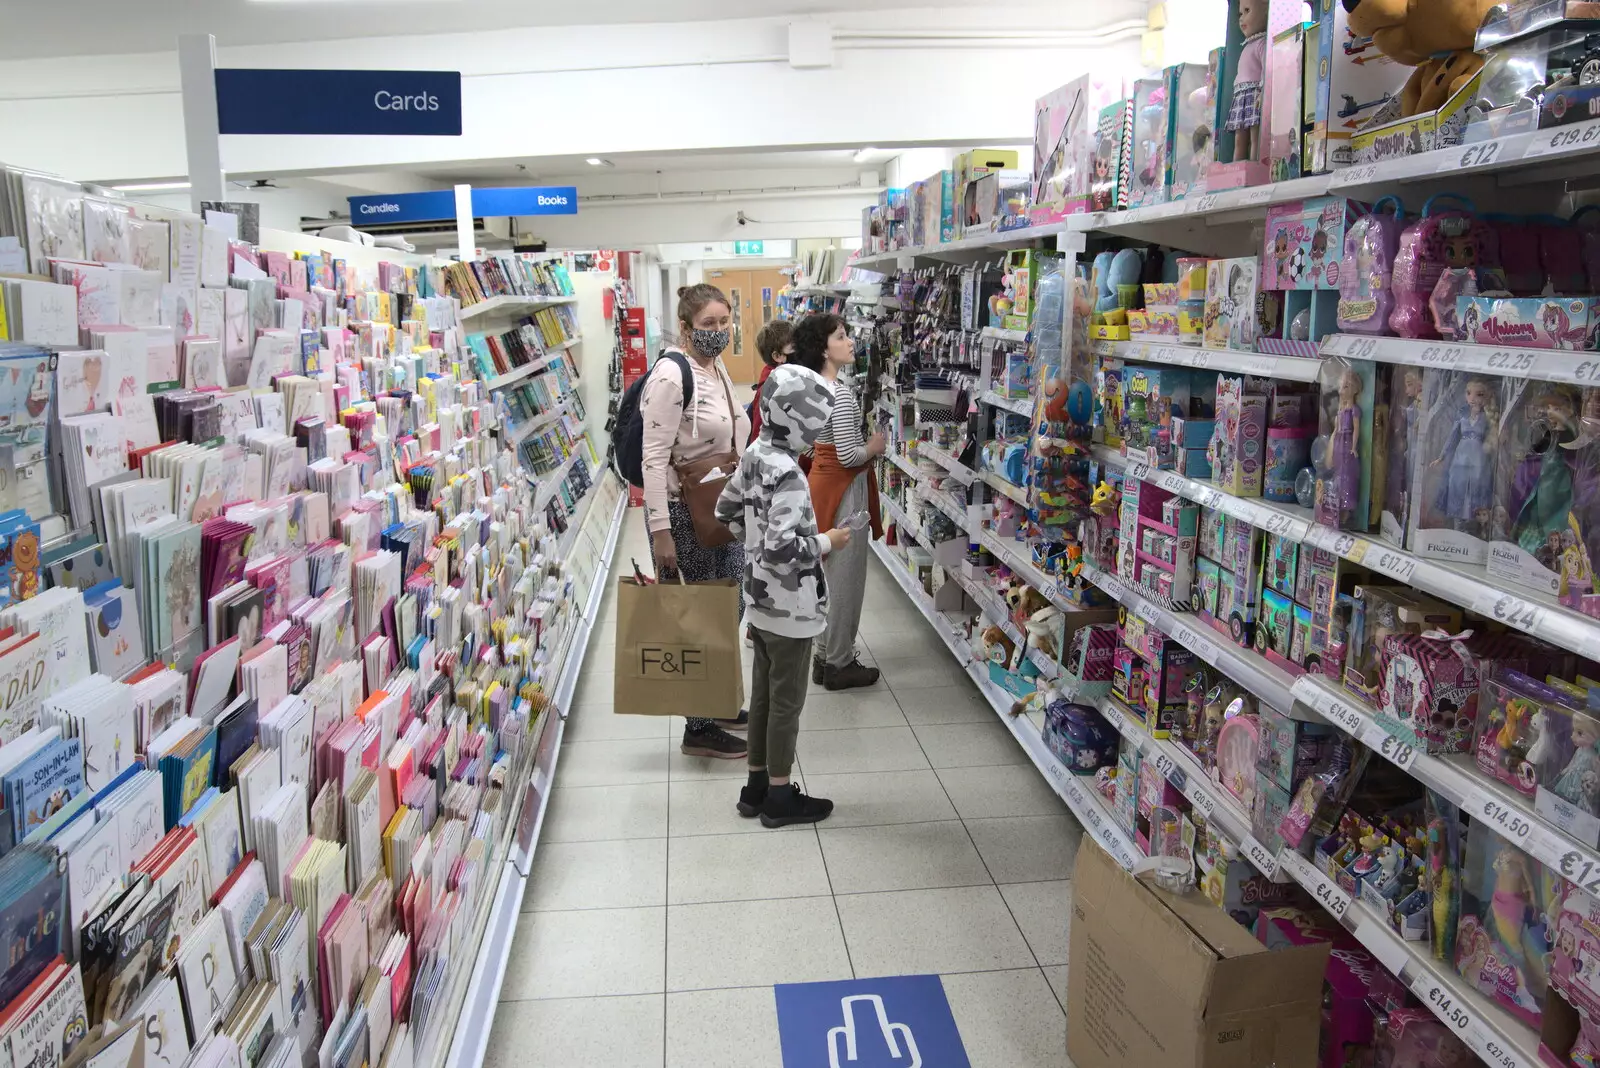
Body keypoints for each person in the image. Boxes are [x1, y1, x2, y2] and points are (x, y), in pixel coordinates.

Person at [716, 363, 845, 826]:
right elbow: (784, 546)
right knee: (786, 704)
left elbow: (724, 508)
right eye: (817, 419)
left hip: (760, 604)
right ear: (801, 419)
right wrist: (830, 541)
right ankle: (778, 797)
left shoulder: (753, 454)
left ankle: (754, 786)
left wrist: (750, 545)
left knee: (764, 698)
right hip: (791, 609)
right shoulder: (789, 472)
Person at [641, 283, 751, 758]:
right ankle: (699, 726)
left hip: (720, 502)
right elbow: (652, 458)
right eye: (708, 325)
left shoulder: (716, 366)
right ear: (685, 328)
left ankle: (717, 699)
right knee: (704, 614)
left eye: (724, 323)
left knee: (732, 604)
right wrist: (661, 532)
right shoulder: (670, 376)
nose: (718, 333)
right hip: (686, 513)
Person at [790, 313, 884, 690]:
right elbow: (847, 455)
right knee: (846, 577)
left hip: (820, 485)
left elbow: (814, 444)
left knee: (825, 575)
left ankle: (824, 654)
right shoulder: (840, 393)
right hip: (845, 491)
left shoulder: (810, 389)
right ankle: (840, 663)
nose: (850, 342)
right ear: (823, 349)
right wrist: (873, 447)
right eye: (841, 337)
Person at [747, 319, 792, 445]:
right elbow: (758, 436)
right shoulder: (770, 391)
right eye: (794, 347)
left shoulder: (782, 381)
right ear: (778, 356)